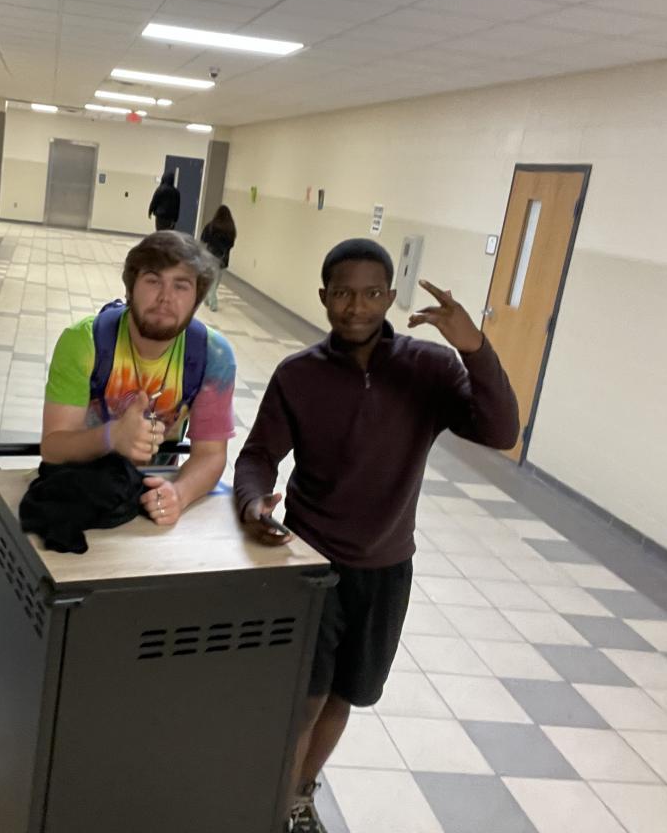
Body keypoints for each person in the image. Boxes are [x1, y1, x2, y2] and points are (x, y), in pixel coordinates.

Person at [233, 238, 518, 833]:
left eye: (370, 294)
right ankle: (270, 809)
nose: (356, 307)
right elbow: (258, 455)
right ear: (324, 296)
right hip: (311, 567)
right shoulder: (299, 375)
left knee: (347, 694)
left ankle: (298, 798)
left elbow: (499, 431)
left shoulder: (429, 369)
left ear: (390, 297)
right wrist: (254, 501)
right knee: (305, 699)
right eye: (342, 293)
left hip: (387, 567)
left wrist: (474, 348)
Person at [42, 230, 236, 526]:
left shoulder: (213, 355)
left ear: (197, 298)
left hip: (153, 491)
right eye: (153, 280)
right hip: (81, 488)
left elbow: (210, 454)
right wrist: (112, 436)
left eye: (181, 285)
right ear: (131, 287)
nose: (165, 297)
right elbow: (53, 448)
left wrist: (179, 494)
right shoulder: (85, 342)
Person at [198, 204, 237, 312]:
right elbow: (231, 244)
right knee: (216, 280)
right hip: (223, 258)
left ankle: (210, 300)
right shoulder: (231, 229)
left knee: (211, 279)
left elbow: (203, 239)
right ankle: (211, 300)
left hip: (210, 255)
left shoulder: (211, 225)